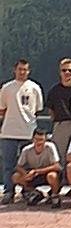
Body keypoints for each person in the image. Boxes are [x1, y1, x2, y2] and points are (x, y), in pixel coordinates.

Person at [0, 60, 44, 205]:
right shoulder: (6, 88)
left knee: (27, 166)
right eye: (20, 69)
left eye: (25, 69)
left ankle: (26, 191)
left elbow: (37, 109)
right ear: (15, 70)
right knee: (9, 165)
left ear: (29, 71)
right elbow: (2, 109)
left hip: (28, 132)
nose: (22, 72)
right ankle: (9, 192)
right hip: (9, 132)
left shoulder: (34, 87)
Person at [46, 58, 71, 169]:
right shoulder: (54, 90)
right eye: (64, 70)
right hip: (61, 125)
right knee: (60, 154)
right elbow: (50, 109)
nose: (67, 73)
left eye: (70, 70)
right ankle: (61, 177)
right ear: (60, 72)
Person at [13, 129, 62, 208]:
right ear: (32, 139)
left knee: (52, 176)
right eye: (36, 139)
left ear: (45, 140)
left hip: (47, 173)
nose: (39, 142)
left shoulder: (50, 147)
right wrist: (26, 174)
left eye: (41, 140)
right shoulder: (26, 149)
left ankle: (54, 196)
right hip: (33, 175)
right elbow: (18, 166)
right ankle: (35, 193)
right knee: (16, 177)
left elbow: (57, 166)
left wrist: (37, 171)